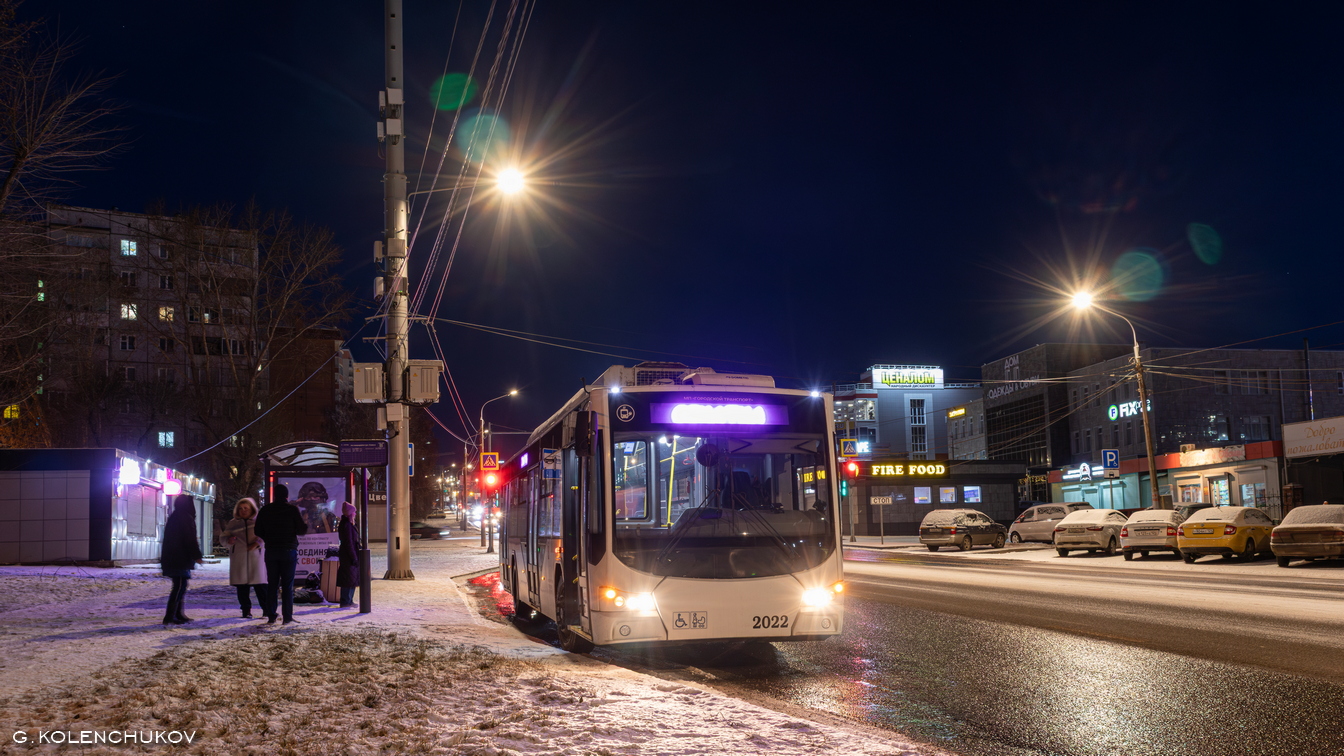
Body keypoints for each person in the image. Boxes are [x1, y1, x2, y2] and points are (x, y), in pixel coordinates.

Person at [253, 483, 307, 625]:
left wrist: (269, 538)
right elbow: (302, 530)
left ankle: (271, 615)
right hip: (289, 550)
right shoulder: (292, 510)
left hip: (271, 550)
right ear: (286, 496)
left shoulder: (266, 510)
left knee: (272, 584)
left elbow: (257, 531)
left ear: (274, 495)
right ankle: (287, 617)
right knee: (287, 586)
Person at [160, 494, 203, 625]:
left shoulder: (175, 516)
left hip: (173, 557)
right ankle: (171, 616)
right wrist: (197, 556)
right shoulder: (186, 518)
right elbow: (190, 539)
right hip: (179, 558)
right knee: (179, 586)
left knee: (180, 585)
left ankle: (177, 614)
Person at [222, 497, 268, 618]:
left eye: (246, 508)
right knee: (242, 588)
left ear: (252, 509)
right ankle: (246, 610)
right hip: (240, 558)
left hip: (256, 558)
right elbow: (223, 538)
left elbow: (267, 535)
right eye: (241, 508)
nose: (243, 511)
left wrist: (258, 543)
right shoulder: (233, 523)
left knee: (261, 587)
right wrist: (228, 540)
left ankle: (267, 609)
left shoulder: (259, 522)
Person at [336, 501, 360, 607]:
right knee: (348, 578)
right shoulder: (347, 525)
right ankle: (346, 601)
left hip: (349, 554)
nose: (355, 514)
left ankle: (348, 600)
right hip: (348, 556)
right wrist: (354, 557)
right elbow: (349, 542)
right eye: (353, 512)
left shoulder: (347, 524)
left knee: (351, 578)